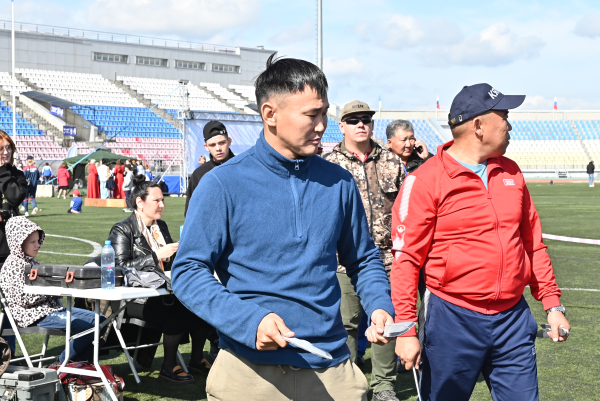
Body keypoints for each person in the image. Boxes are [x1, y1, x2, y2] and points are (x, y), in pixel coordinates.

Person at [172, 55, 395, 401]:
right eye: (311, 115)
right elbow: (188, 271)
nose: (322, 125)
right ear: (270, 114)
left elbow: (363, 259)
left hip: (332, 368)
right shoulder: (221, 184)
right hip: (247, 373)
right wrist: (247, 321)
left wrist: (380, 303)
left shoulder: (339, 182)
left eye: (323, 113)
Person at [392, 84, 570, 401]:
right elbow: (406, 259)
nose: (510, 124)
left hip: (513, 319)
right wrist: (406, 328)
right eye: (503, 115)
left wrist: (553, 305)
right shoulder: (424, 180)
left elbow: (533, 244)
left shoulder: (511, 173)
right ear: (478, 126)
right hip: (452, 318)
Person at [323, 100, 403, 401]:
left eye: (366, 119)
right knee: (346, 324)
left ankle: (384, 385)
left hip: (388, 257)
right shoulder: (329, 164)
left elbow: (406, 209)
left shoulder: (393, 162)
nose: (361, 124)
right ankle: (349, 382)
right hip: (343, 260)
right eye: (353, 119)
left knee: (384, 321)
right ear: (341, 126)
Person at [108, 175, 212, 383]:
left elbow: (170, 262)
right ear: (140, 202)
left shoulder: (160, 226)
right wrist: (157, 255)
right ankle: (168, 365)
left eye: (162, 200)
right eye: (157, 200)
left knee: (201, 305)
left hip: (163, 291)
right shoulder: (122, 229)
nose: (162, 205)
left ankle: (197, 358)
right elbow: (120, 267)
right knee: (178, 311)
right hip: (135, 300)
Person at [0, 216, 104, 364]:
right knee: (87, 328)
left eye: (38, 241)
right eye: (32, 242)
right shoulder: (12, 266)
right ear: (18, 243)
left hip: (50, 309)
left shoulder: (31, 262)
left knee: (102, 321)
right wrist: (52, 291)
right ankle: (61, 365)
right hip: (32, 315)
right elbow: (22, 299)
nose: (37, 246)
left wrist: (54, 287)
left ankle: (78, 364)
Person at [184, 121, 235, 216]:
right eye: (212, 145)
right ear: (206, 147)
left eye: (222, 143)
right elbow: (190, 212)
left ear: (229, 141)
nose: (218, 148)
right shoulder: (198, 175)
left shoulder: (242, 168)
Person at [0, 130, 27, 264]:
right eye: (1, 148)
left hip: (10, 240)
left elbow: (15, 198)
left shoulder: (18, 175)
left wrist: (3, 171)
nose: (6, 152)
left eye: (8, 147)